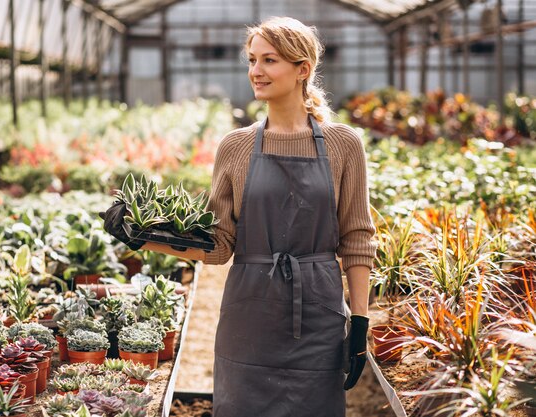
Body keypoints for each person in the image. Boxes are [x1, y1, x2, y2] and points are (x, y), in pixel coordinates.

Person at [102, 16, 377, 417]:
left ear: (303, 69)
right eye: (251, 60)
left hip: (317, 314)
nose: (256, 71)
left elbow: (357, 238)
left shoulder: (343, 144)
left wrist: (360, 324)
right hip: (249, 313)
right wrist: (141, 236)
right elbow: (219, 246)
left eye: (269, 60)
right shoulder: (236, 146)